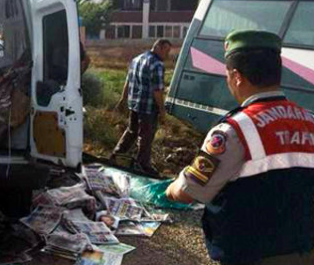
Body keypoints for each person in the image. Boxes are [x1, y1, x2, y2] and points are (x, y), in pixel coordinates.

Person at [165, 30, 314, 265]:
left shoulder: (234, 131)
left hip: (253, 254)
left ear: (236, 76)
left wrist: (171, 188)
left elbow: (189, 191)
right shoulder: (309, 121)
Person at [110, 39, 171, 175]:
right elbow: (157, 90)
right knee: (146, 136)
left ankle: (116, 155)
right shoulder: (157, 64)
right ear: (158, 47)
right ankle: (143, 165)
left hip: (134, 103)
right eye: (166, 51)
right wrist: (162, 110)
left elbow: (128, 80)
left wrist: (123, 98)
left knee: (132, 131)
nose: (167, 55)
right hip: (148, 107)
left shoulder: (137, 59)